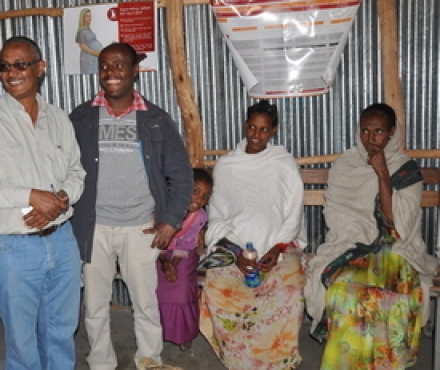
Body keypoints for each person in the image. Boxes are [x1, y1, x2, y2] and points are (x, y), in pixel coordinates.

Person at [0, 36, 85, 370]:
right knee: (22, 342)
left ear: (40, 68)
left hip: (61, 242)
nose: (11, 72)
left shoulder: (58, 118)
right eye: (4, 66)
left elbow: (77, 172)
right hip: (12, 247)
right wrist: (31, 197)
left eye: (20, 64)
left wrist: (59, 201)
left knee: (61, 332)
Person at [69, 42, 193, 370]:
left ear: (134, 70)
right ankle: (100, 362)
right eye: (105, 67)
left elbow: (181, 174)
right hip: (93, 228)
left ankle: (149, 360)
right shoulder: (81, 118)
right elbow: (62, 169)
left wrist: (170, 220)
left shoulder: (154, 119)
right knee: (94, 306)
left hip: (141, 227)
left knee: (145, 304)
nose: (111, 73)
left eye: (119, 66)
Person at [304, 103, 438, 369]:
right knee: (344, 291)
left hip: (396, 249)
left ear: (391, 133)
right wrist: (355, 234)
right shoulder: (347, 164)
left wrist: (382, 174)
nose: (370, 138)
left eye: (378, 131)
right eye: (365, 131)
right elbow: (336, 212)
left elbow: (396, 225)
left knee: (390, 295)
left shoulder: (405, 169)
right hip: (352, 246)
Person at [199, 100, 306, 369]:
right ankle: (240, 362)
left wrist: (277, 248)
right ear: (245, 126)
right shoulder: (227, 165)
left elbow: (293, 212)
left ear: (274, 131)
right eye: (252, 128)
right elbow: (219, 216)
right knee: (217, 289)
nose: (256, 135)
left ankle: (279, 362)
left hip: (277, 247)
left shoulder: (283, 164)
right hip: (236, 248)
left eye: (264, 129)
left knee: (290, 290)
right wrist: (235, 254)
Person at [156, 167, 213, 352]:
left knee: (181, 288)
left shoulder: (199, 217)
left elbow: (188, 244)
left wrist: (172, 265)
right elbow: (153, 239)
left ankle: (183, 334)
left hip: (184, 255)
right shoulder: (163, 208)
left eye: (205, 197)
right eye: (195, 192)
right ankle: (157, 332)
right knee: (155, 286)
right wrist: (165, 262)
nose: (199, 200)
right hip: (159, 253)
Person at [76, 8, 103, 74]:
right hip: (88, 58)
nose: (90, 18)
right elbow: (82, 45)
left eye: (90, 16)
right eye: (87, 16)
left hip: (94, 57)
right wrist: (95, 53)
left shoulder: (88, 29)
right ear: (83, 18)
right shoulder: (82, 31)